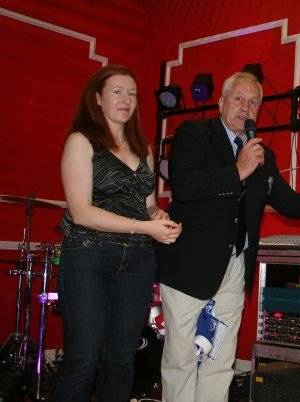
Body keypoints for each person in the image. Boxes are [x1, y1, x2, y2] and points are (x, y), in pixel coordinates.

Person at [155, 72, 300, 402]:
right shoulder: (193, 134)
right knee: (181, 357)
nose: (246, 107)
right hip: (189, 267)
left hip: (235, 268)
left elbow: (287, 200)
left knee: (220, 357)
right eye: (239, 99)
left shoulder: (262, 154)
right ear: (222, 102)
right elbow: (184, 187)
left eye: (253, 102)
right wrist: (238, 171)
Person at [53, 64, 182, 402]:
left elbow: (148, 204)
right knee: (83, 358)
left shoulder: (145, 149)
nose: (127, 99)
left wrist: (160, 218)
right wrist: (145, 226)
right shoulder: (81, 141)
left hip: (138, 261)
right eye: (117, 91)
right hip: (89, 255)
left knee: (122, 360)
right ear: (97, 98)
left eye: (132, 93)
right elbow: (80, 212)